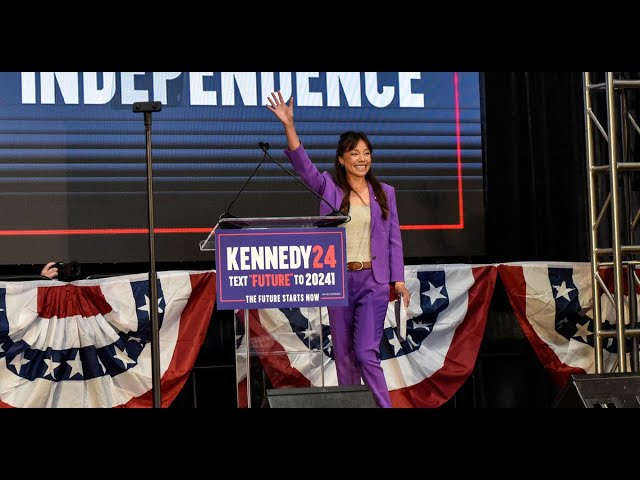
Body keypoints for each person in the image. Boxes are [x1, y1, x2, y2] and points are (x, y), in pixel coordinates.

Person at [266, 91, 410, 408]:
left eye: (366, 153)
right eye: (354, 153)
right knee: (344, 355)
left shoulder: (385, 192)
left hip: (373, 281)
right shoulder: (329, 187)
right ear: (342, 159)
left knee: (366, 352)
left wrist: (398, 281)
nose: (362, 159)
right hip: (338, 281)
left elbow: (393, 239)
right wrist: (289, 126)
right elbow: (303, 166)